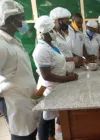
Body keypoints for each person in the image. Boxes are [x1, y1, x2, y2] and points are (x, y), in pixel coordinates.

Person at [33, 15, 79, 140]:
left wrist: (69, 68)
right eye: (53, 30)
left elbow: (59, 60)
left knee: (51, 115)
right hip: (47, 87)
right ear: (47, 32)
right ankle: (44, 137)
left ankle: (52, 136)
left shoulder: (52, 45)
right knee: (45, 117)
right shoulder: (41, 49)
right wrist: (68, 78)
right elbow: (47, 75)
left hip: (57, 85)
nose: (55, 32)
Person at [0, 0, 39, 139]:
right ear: (10, 19)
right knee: (21, 136)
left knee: (30, 133)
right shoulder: (1, 44)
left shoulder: (14, 39)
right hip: (14, 103)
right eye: (21, 17)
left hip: (26, 101)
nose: (24, 21)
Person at [50, 7, 82, 71]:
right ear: (59, 20)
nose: (68, 24)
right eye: (66, 22)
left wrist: (79, 58)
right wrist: (72, 59)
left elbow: (67, 51)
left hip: (70, 71)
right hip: (60, 73)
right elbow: (52, 58)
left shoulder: (64, 33)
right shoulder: (51, 36)